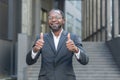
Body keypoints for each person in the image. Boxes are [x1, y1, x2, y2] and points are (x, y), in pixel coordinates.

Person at [26, 9, 89, 80]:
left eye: (57, 17)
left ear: (63, 21)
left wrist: (76, 50)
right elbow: (29, 61)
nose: (53, 20)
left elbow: (85, 60)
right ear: (48, 21)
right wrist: (34, 50)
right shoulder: (41, 38)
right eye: (50, 18)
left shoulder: (73, 38)